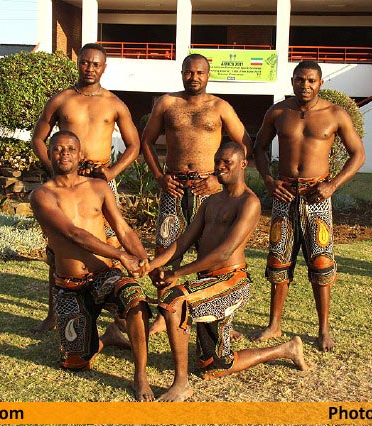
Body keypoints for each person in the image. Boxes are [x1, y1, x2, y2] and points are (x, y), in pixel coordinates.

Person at [148, 142, 308, 402]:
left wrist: (179, 273)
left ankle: (181, 384)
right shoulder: (211, 201)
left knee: (174, 302)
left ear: (243, 164)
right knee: (214, 365)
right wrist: (152, 265)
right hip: (207, 283)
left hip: (232, 281)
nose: (220, 167)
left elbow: (224, 253)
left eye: (227, 162)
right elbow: (182, 242)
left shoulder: (249, 202)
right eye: (217, 161)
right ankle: (287, 349)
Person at [29, 130, 153, 402]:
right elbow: (74, 234)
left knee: (135, 298)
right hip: (69, 286)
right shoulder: (41, 195)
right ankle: (109, 337)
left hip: (103, 276)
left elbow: (122, 228)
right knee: (77, 363)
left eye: (71, 149)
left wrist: (144, 260)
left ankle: (140, 375)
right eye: (58, 149)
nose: (64, 154)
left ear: (81, 155)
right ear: (48, 154)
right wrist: (121, 255)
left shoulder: (99, 187)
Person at [253, 60, 366, 352]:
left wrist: (333, 185)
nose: (305, 85)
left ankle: (323, 329)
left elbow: (358, 154)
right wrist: (269, 180)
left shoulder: (335, 114)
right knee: (278, 259)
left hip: (318, 196)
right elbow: (259, 148)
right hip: (285, 195)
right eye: (300, 80)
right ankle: (274, 324)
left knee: (321, 262)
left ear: (320, 83)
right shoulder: (278, 112)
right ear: (292, 81)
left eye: (311, 80)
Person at [31, 43, 141, 333]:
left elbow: (134, 145)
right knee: (59, 245)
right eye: (84, 63)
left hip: (100, 180)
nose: (89, 69)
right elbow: (39, 139)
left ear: (104, 68)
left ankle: (119, 318)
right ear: (77, 63)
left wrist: (111, 172)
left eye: (95, 64)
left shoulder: (115, 104)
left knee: (113, 241)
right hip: (66, 179)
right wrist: (54, 170)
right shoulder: (62, 99)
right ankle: (54, 313)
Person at [141, 53, 253, 335]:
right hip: (174, 186)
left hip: (208, 188)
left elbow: (245, 143)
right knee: (167, 246)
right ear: (182, 73)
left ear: (208, 74)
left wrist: (217, 178)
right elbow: (146, 141)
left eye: (200, 72)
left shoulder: (220, 107)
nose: (194, 77)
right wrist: (159, 176)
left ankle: (220, 317)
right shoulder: (167, 103)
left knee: (211, 249)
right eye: (189, 72)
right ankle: (163, 312)